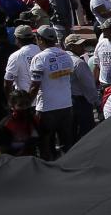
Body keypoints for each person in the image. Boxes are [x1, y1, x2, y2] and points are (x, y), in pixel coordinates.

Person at [27, 25, 78, 159]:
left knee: (46, 147)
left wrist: (26, 104)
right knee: (66, 145)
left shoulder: (39, 58)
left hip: (46, 109)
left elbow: (34, 86)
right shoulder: (66, 55)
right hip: (66, 106)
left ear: (40, 39)